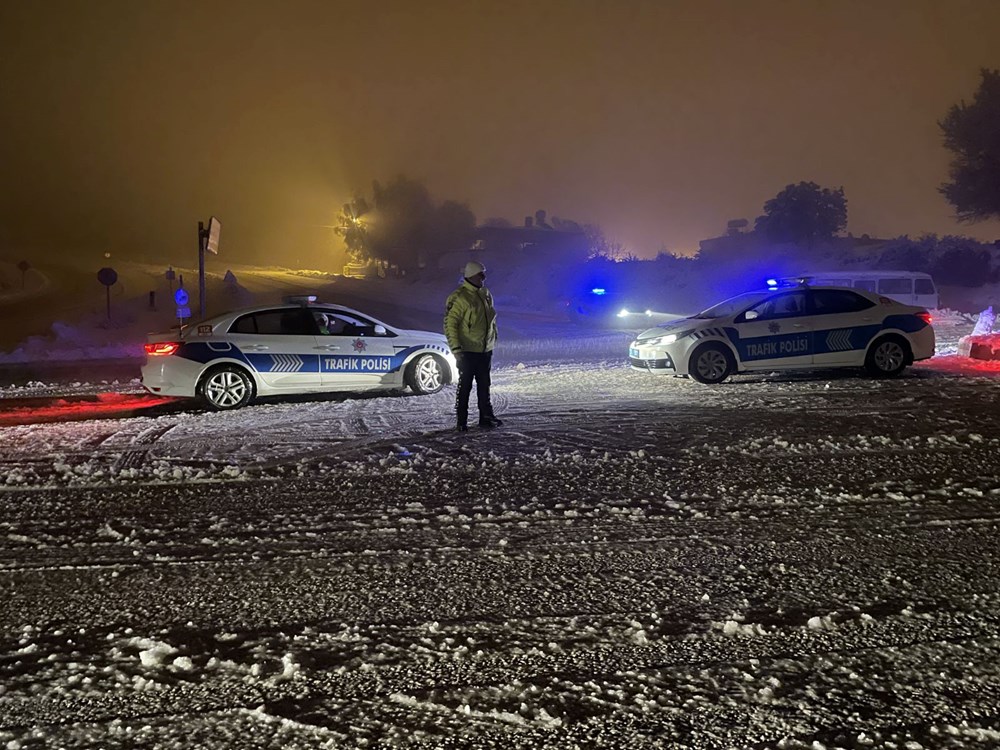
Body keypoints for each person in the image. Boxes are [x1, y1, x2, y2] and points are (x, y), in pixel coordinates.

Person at [444, 261, 501, 432]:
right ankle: (462, 421)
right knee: (465, 386)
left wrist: (493, 338)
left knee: (484, 384)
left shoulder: (485, 294)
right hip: (467, 351)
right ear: (471, 276)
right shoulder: (460, 298)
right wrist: (456, 349)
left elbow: (491, 319)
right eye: (480, 274)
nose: (484, 278)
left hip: (484, 350)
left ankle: (486, 416)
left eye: (484, 274)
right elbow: (450, 324)